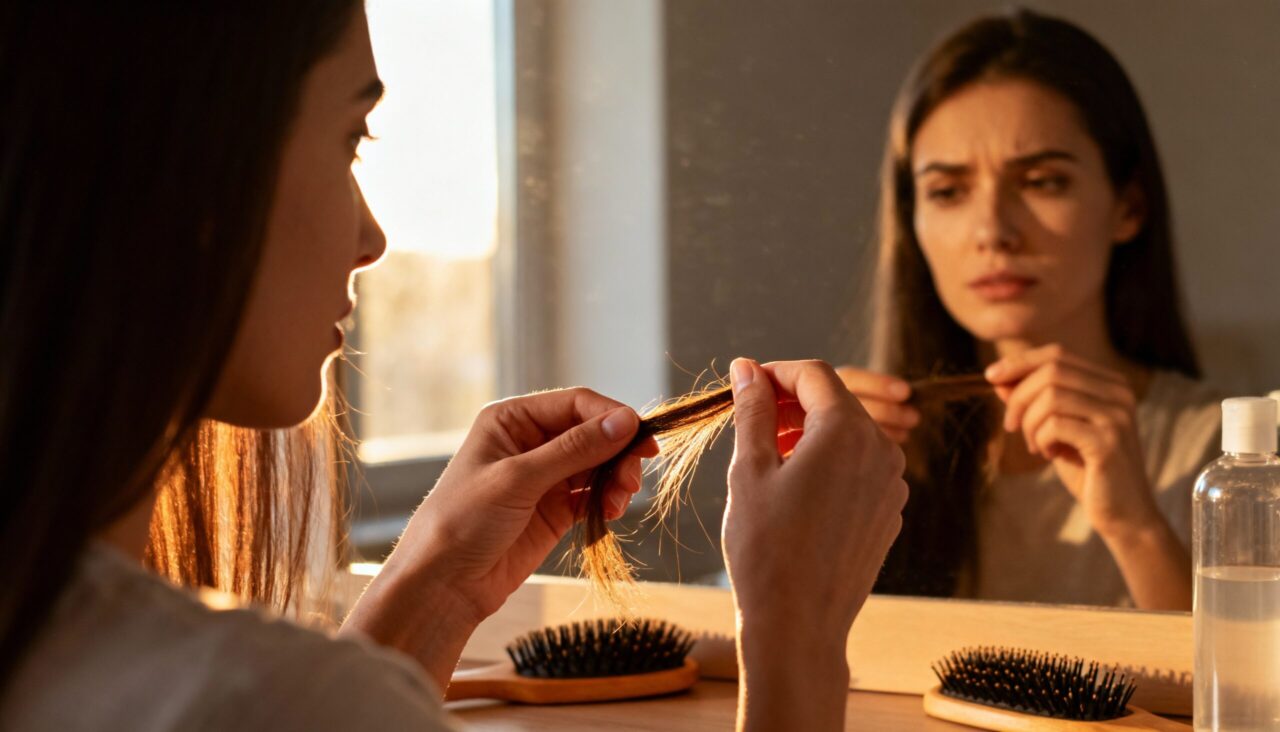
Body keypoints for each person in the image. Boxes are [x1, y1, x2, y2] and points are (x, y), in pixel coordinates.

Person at [0, 3, 907, 730]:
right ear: (187, 168)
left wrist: (436, 584)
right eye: (354, 139)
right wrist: (795, 634)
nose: (372, 237)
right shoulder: (243, 693)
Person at [838, 8, 1218, 610]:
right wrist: (810, 516)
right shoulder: (876, 455)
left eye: (1042, 181)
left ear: (1129, 206)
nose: (992, 230)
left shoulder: (1227, 457)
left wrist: (1136, 527)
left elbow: (1249, 694)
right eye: (948, 192)